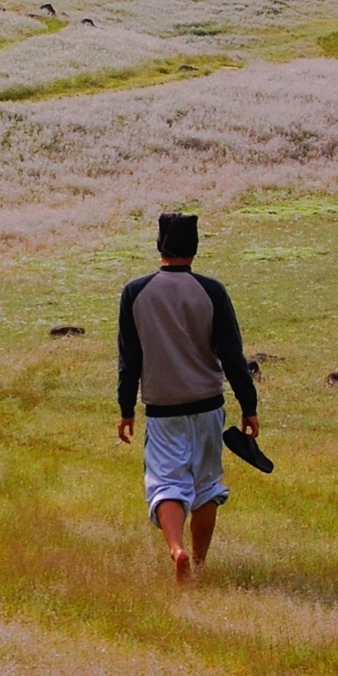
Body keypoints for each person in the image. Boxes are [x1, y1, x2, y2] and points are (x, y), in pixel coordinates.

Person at [116, 213, 259, 583]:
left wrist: (126, 409)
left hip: (163, 410)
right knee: (206, 485)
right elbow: (232, 354)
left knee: (166, 482)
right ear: (194, 248)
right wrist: (249, 406)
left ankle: (176, 549)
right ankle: (198, 562)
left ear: (159, 246)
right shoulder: (212, 291)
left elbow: (130, 358)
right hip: (208, 405)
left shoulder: (135, 292)